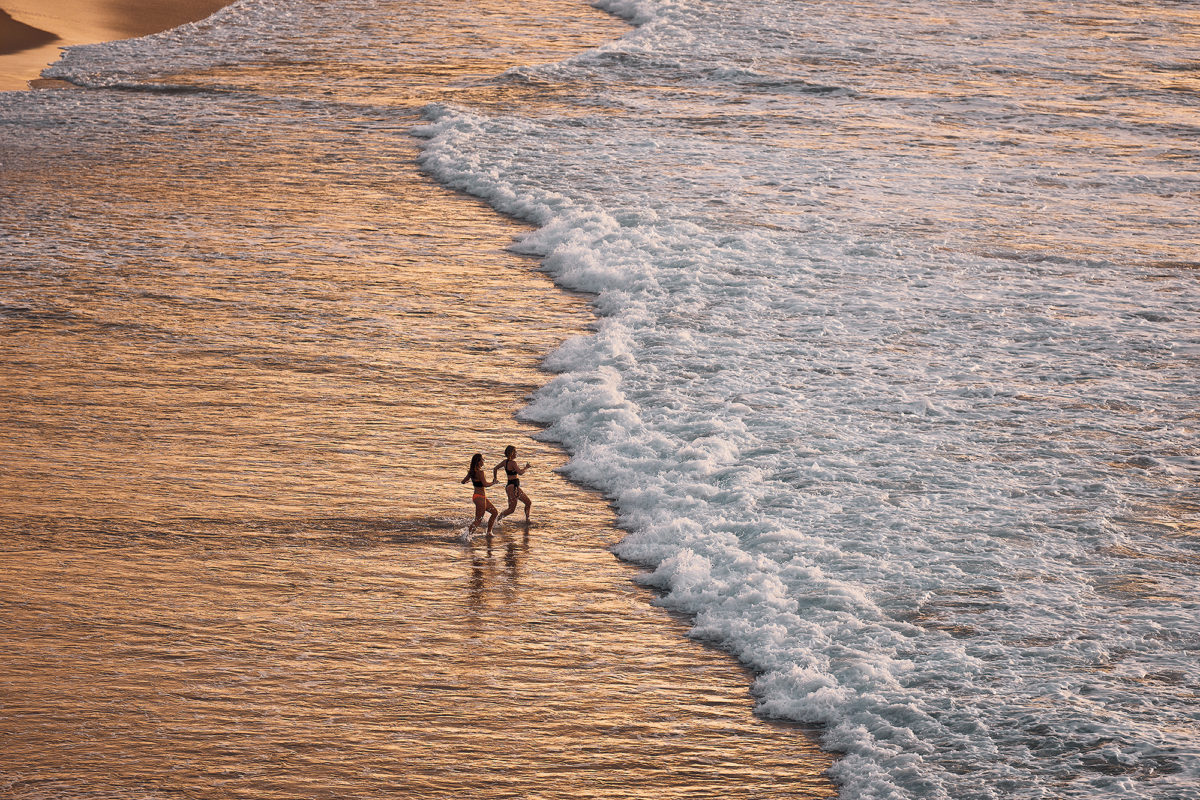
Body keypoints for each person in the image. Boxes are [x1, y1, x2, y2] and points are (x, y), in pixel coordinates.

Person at [493, 445, 531, 523]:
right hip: (512, 487)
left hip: (513, 486)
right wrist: (526, 467)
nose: (516, 453)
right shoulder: (513, 463)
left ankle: (527, 520)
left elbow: (495, 468)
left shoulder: (505, 462)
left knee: (528, 502)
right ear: (511, 453)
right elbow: (520, 473)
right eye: (515, 452)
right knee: (511, 509)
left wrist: (495, 478)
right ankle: (495, 520)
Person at [461, 453, 497, 535]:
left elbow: (463, 482)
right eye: (482, 459)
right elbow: (485, 484)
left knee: (494, 512)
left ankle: (489, 532)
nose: (483, 461)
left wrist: (469, 480)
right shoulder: (480, 472)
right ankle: (467, 536)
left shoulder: (471, 472)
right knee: (478, 520)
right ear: (478, 462)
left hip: (477, 497)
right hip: (480, 497)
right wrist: (493, 482)